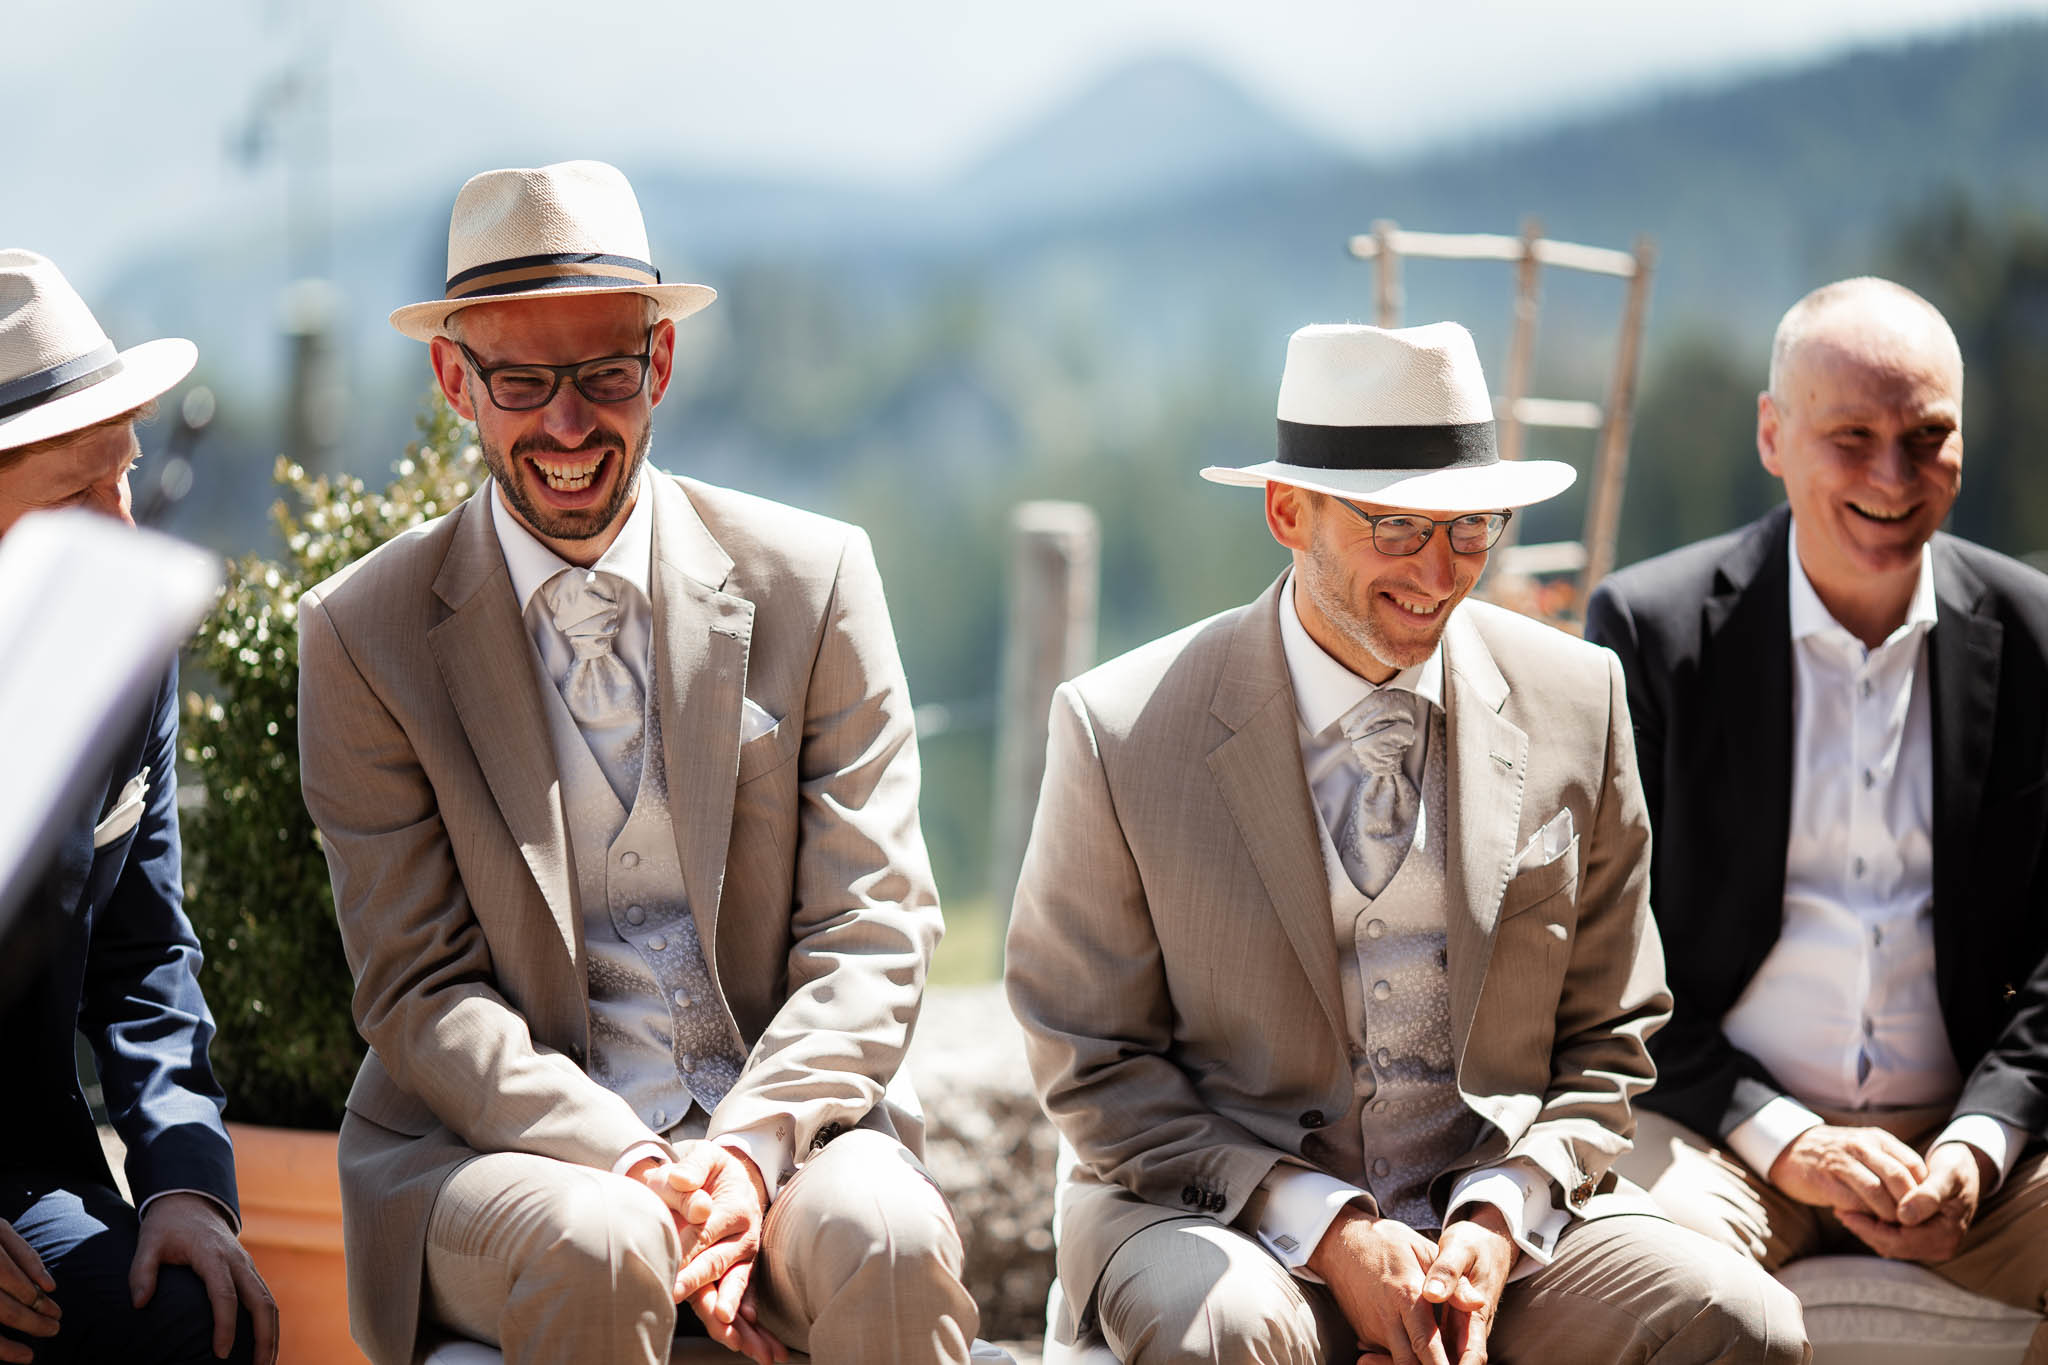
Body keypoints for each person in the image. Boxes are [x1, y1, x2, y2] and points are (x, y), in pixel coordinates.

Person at [1006, 321, 1807, 1365]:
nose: (1442, 570)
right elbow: (1090, 1060)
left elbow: (1611, 1033)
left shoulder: (1579, 697)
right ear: (1287, 512)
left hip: (1504, 1218)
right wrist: (1330, 1232)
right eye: (1398, 528)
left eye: (1472, 528)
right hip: (1221, 1215)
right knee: (1224, 1335)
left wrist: (1494, 1217)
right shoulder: (1118, 728)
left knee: (1742, 1324)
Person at [295, 161, 980, 1365]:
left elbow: (873, 926)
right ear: (456, 380)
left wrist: (746, 1155)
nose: (567, 425)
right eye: (521, 381)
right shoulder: (361, 636)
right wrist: (632, 1161)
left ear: (658, 365)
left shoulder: (813, 584)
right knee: (605, 1239)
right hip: (503, 1158)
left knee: (882, 1236)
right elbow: (418, 990)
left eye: (604, 375)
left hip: (787, 1130)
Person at [1587, 277, 2048, 1348]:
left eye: (1925, 435)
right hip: (1713, 1131)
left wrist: (1979, 1139)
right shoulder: (1649, 635)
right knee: (1652, 1289)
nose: (1892, 477)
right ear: (1771, 434)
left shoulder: (2035, 640)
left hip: (1977, 1145)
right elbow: (1605, 956)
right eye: (1850, 436)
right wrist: (1784, 1138)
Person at [0, 250, 276, 1365]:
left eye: (126, 475)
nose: (121, 527)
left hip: (31, 1167)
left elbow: (146, 953)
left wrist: (187, 1190)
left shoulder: (120, 648)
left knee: (200, 1317)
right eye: (75, 496)